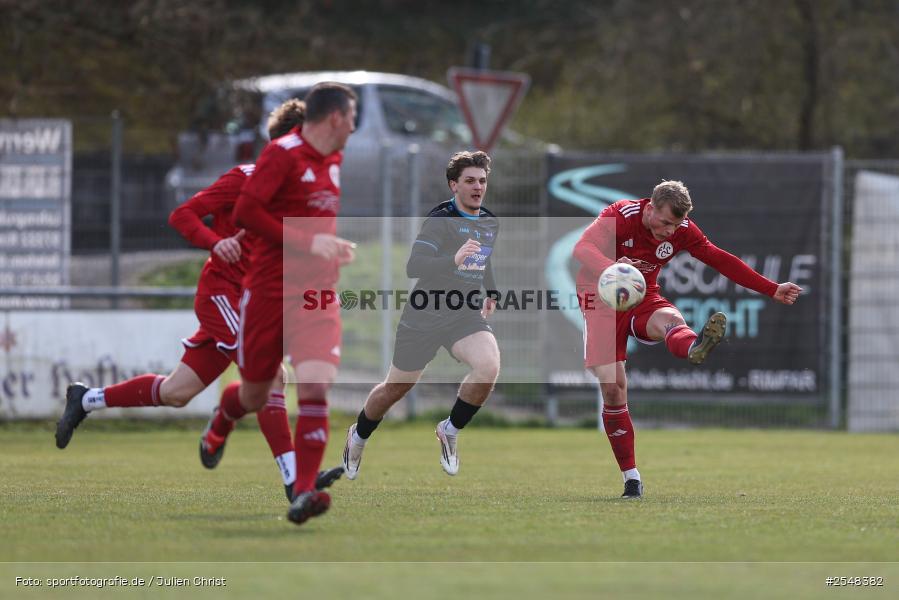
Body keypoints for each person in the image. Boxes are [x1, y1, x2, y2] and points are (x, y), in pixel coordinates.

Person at [53, 100, 342, 500]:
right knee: (272, 378)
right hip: (224, 293)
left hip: (260, 300)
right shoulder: (246, 178)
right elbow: (183, 215)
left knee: (176, 392)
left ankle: (86, 399)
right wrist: (215, 241)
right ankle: (295, 483)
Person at [572, 180, 802, 499]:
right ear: (650, 208)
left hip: (642, 297)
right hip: (599, 300)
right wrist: (613, 269)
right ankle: (631, 477)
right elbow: (582, 248)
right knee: (613, 388)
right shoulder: (621, 214)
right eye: (666, 222)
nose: (670, 231)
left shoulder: (682, 230)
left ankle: (694, 345)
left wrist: (770, 288)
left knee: (670, 320)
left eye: (676, 224)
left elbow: (719, 259)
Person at [212, 82, 357, 525]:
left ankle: (305, 490)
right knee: (256, 392)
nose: (354, 125)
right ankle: (223, 420)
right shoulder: (281, 154)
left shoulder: (334, 159)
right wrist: (307, 242)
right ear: (335, 117)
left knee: (315, 386)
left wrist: (330, 247)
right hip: (270, 290)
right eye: (352, 116)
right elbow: (246, 214)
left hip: (317, 294)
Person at [342, 150, 500, 480]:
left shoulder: (488, 221)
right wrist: (452, 260)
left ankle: (450, 429)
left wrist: (492, 290)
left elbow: (482, 261)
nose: (477, 187)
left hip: (464, 314)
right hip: (424, 315)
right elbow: (414, 266)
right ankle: (358, 436)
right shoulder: (440, 220)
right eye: (469, 181)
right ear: (453, 185)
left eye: (482, 181)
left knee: (488, 366)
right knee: (395, 388)